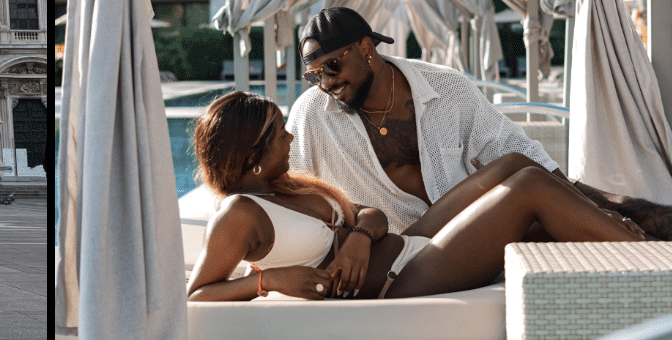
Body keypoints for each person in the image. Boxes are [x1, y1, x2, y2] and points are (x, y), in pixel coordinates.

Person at [187, 91, 644, 301]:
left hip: (407, 243)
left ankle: (618, 225)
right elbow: (197, 294)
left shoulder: (285, 186)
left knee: (508, 164)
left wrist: (362, 236)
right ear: (253, 155)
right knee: (527, 190)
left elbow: (370, 213)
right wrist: (269, 282)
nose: (291, 137)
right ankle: (646, 256)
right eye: (280, 132)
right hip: (400, 281)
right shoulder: (239, 214)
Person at [287, 7, 672, 240]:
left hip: (472, 227)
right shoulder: (310, 114)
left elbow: (510, 148)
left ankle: (649, 247)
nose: (326, 82)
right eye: (314, 75)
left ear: (367, 49)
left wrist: (602, 202)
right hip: (398, 245)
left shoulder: (445, 87)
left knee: (604, 207)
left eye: (332, 66)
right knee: (541, 190)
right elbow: (294, 193)